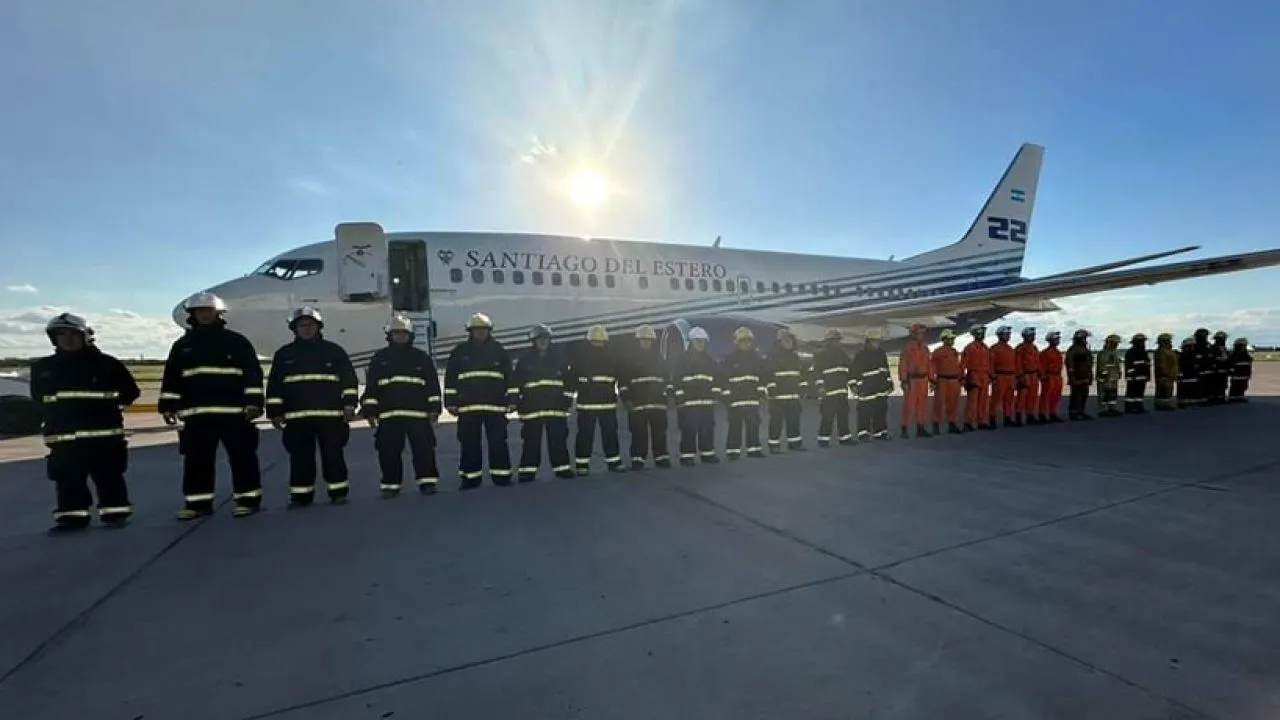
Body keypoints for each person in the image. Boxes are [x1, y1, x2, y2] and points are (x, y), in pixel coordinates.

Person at [159, 292, 265, 519]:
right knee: (197, 462)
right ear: (193, 315)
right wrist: (167, 404)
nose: (204, 315)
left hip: (234, 415)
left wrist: (254, 402)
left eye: (209, 311)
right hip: (197, 416)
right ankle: (197, 504)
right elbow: (172, 378)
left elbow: (252, 375)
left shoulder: (236, 342)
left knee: (243, 459)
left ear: (218, 314)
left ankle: (248, 500)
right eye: (200, 311)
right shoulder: (183, 345)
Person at [31, 313, 140, 533]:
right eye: (61, 334)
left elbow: (131, 391)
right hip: (64, 438)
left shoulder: (107, 365)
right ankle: (72, 517)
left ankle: (115, 513)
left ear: (85, 337)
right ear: (54, 339)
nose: (68, 339)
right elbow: (38, 398)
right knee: (68, 480)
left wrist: (108, 409)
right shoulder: (43, 368)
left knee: (109, 477)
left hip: (104, 437)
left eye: (73, 334)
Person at [265, 307, 359, 506]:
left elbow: (349, 381)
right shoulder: (284, 355)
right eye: (302, 325)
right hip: (297, 419)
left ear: (318, 327)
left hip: (331, 418)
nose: (306, 329)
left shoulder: (334, 352)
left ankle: (338, 492)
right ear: (294, 329)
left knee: (333, 456)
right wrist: (274, 411)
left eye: (310, 325)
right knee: (300, 459)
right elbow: (275, 386)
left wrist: (350, 404)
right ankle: (301, 496)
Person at [360, 314, 441, 497]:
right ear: (389, 335)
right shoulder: (379, 359)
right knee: (388, 452)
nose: (400, 336)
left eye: (403, 333)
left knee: (424, 450)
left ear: (410, 335)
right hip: (389, 416)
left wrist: (434, 409)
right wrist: (369, 409)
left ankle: (427, 482)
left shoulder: (421, 358)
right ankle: (390, 485)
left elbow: (432, 386)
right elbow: (372, 387)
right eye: (396, 333)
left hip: (418, 415)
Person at [444, 313, 516, 489]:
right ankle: (470, 478)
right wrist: (450, 401)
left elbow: (510, 379)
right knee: (469, 444)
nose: (480, 333)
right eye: (477, 330)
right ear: (470, 331)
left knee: (498, 443)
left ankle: (502, 477)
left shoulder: (500, 351)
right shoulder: (460, 352)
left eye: (483, 330)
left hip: (495, 407)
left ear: (489, 331)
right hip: (468, 408)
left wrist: (513, 399)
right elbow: (451, 379)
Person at [513, 324, 575, 481]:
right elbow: (516, 384)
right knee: (530, 441)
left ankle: (562, 469)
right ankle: (528, 471)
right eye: (540, 339)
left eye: (546, 339)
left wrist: (566, 400)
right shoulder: (524, 361)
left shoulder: (559, 360)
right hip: (532, 409)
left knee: (558, 440)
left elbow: (569, 382)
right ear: (533, 341)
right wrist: (519, 404)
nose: (543, 342)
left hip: (556, 408)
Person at [571, 324, 624, 474]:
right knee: (585, 436)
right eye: (595, 342)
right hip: (588, 406)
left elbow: (620, 378)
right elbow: (572, 380)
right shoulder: (581, 360)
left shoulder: (611, 359)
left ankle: (614, 462)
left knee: (610, 434)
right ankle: (582, 464)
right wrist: (566, 399)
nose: (598, 345)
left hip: (606, 405)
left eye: (600, 342)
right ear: (589, 342)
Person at [618, 324, 672, 469]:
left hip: (658, 404)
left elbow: (667, 380)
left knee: (660, 433)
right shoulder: (630, 360)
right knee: (638, 433)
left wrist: (669, 395)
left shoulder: (660, 359)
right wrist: (626, 399)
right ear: (637, 341)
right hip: (638, 404)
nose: (646, 342)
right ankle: (637, 459)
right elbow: (623, 382)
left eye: (648, 340)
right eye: (643, 340)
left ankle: (661, 457)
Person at [674, 326, 720, 465]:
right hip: (689, 403)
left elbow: (717, 379)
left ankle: (707, 454)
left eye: (703, 341)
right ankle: (687, 456)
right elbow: (676, 381)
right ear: (691, 342)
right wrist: (679, 397)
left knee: (707, 428)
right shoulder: (682, 361)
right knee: (689, 429)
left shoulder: (709, 361)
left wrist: (715, 394)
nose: (701, 344)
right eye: (698, 341)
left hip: (706, 403)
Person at [721, 327, 767, 459]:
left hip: (752, 399)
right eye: (743, 341)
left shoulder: (756, 358)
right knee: (735, 426)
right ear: (736, 342)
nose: (746, 343)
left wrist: (761, 393)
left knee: (754, 424)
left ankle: (754, 449)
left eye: (748, 341)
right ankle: (733, 452)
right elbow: (724, 379)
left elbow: (761, 377)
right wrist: (726, 396)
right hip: (735, 400)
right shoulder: (729, 359)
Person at [765, 328, 807, 451]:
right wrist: (771, 388)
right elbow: (768, 374)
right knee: (776, 422)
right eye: (786, 340)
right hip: (778, 397)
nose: (789, 342)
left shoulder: (794, 357)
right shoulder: (772, 356)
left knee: (794, 421)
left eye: (790, 340)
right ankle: (774, 445)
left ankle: (795, 443)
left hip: (793, 396)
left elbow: (800, 374)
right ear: (779, 342)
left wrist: (803, 387)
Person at [811, 329, 854, 446]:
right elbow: (817, 373)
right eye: (835, 340)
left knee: (843, 415)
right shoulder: (821, 355)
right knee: (827, 416)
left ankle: (845, 438)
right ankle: (823, 439)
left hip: (842, 391)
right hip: (829, 392)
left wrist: (852, 385)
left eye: (838, 340)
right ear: (828, 341)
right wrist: (820, 387)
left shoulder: (842, 354)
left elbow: (849, 371)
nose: (837, 343)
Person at [851, 328, 892, 440]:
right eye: (875, 341)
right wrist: (856, 386)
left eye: (878, 341)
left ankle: (879, 433)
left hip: (880, 389)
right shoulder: (860, 355)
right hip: (866, 389)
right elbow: (854, 373)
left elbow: (885, 370)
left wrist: (889, 384)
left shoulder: (881, 353)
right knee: (864, 413)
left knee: (881, 411)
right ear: (868, 341)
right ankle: (863, 434)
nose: (877, 343)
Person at [898, 323, 932, 438]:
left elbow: (929, 364)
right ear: (913, 334)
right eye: (919, 333)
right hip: (912, 380)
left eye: (923, 333)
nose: (921, 335)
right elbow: (902, 364)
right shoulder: (908, 347)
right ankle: (904, 428)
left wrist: (932, 379)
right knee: (909, 405)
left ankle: (920, 428)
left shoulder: (925, 348)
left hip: (923, 380)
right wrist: (903, 380)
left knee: (922, 405)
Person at [930, 329, 963, 434]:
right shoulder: (938, 352)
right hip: (942, 380)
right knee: (939, 404)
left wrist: (961, 377)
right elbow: (932, 367)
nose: (952, 340)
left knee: (953, 403)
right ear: (944, 339)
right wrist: (932, 380)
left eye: (953, 339)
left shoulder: (954, 351)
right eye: (950, 339)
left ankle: (952, 424)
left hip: (954, 380)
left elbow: (958, 366)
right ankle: (936, 424)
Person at [960, 326, 992, 431]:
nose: (982, 335)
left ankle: (981, 421)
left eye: (983, 332)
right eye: (981, 332)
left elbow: (989, 363)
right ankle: (968, 422)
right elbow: (963, 364)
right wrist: (963, 377)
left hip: (984, 375)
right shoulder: (969, 348)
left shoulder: (986, 347)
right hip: (974, 374)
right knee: (972, 401)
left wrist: (990, 375)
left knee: (983, 400)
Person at [988, 326, 1018, 427]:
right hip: (1000, 376)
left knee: (1009, 399)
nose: (1008, 336)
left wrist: (1016, 377)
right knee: (996, 399)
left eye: (1009, 334)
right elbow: (991, 363)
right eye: (1006, 334)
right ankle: (992, 418)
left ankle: (1008, 418)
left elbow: (1014, 364)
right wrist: (992, 376)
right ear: (1000, 335)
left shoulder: (1010, 349)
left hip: (1010, 376)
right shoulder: (994, 349)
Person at [1064, 329, 1094, 421]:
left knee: (1084, 394)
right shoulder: (1073, 350)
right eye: (1084, 338)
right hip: (1077, 376)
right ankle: (1074, 413)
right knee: (1076, 395)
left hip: (1084, 376)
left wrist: (1089, 376)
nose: (1086, 340)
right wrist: (1072, 377)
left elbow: (1089, 364)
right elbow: (1070, 364)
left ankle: (1081, 411)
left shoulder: (1085, 349)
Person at [1015, 327, 1042, 424]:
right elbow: (1017, 363)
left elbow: (1037, 362)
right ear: (1025, 336)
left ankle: (1030, 416)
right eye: (1031, 335)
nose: (1033, 337)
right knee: (1022, 397)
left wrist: (1040, 373)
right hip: (1025, 374)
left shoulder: (1034, 348)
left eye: (1033, 335)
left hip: (1034, 375)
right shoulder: (1020, 348)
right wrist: (1020, 375)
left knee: (1033, 396)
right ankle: (1018, 416)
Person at [1038, 331, 1065, 423]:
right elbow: (1041, 366)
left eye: (1058, 339)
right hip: (1049, 376)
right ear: (1051, 340)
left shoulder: (1057, 352)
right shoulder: (1045, 353)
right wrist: (1043, 376)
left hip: (1057, 376)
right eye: (1056, 339)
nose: (1058, 341)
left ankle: (1052, 413)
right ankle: (1042, 414)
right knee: (1046, 397)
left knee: (1056, 396)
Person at [1122, 333, 1150, 414]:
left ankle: (1139, 406)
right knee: (1131, 393)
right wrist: (1132, 375)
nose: (1143, 343)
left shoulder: (1143, 352)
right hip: (1134, 377)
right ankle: (1129, 408)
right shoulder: (1131, 352)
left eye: (1143, 341)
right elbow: (1129, 365)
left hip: (1141, 377)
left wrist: (1147, 375)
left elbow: (1147, 364)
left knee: (1139, 393)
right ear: (1136, 342)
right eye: (1141, 341)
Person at [1096, 334, 1123, 417]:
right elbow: (1102, 366)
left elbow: (1116, 364)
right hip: (1105, 378)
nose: (1116, 344)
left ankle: (1112, 408)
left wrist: (1118, 372)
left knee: (1113, 393)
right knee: (1104, 394)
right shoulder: (1104, 353)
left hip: (1113, 377)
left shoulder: (1115, 352)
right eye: (1115, 343)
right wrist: (1105, 376)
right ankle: (1103, 410)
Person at [1152, 333, 1178, 411]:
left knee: (1168, 390)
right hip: (1164, 376)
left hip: (1170, 375)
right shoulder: (1161, 352)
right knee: (1163, 391)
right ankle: (1161, 405)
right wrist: (1166, 373)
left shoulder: (1169, 351)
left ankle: (1165, 405)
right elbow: (1162, 364)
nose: (1170, 342)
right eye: (1168, 341)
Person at [1208, 331, 1231, 404]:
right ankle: (1219, 398)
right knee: (1220, 385)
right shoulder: (1221, 348)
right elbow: (1225, 358)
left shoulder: (1211, 347)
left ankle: (1215, 398)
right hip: (1220, 371)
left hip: (1215, 371)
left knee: (1216, 385)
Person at [1228, 337, 1253, 403]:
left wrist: (1249, 374)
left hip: (1243, 375)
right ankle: (1233, 397)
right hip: (1237, 375)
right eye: (1244, 345)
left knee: (1242, 386)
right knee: (1235, 387)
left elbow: (1248, 365)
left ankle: (1240, 397)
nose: (1244, 347)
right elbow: (1231, 365)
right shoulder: (1234, 355)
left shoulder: (1246, 355)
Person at [1191, 327, 1212, 406]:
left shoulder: (1208, 346)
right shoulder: (1194, 347)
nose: (1205, 338)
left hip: (1208, 372)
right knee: (1199, 387)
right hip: (1199, 372)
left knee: (1206, 387)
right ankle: (1200, 400)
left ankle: (1205, 400)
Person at [1177, 336, 1199, 408]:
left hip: (1190, 379)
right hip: (1186, 380)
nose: (1193, 347)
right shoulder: (1184, 356)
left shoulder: (1184, 356)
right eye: (1191, 346)